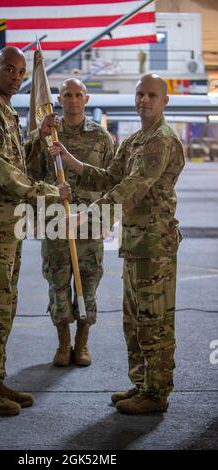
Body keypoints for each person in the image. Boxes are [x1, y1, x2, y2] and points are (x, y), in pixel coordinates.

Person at [50, 74, 185, 414]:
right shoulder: (134, 140)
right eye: (140, 94)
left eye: (152, 95)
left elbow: (132, 188)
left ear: (164, 100)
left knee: (154, 319)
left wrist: (85, 216)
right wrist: (69, 159)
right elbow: (110, 175)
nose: (144, 100)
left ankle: (156, 393)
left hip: (155, 244)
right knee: (134, 318)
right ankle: (141, 384)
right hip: (136, 242)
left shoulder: (161, 140)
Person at [0, 46, 70, 416]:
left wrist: (38, 135)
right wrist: (53, 193)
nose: (17, 76)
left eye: (22, 72)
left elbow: (16, 159)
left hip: (7, 225)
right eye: (10, 69)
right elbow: (4, 173)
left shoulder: (6, 110)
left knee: (4, 306)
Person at [26, 78, 114, 367]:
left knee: (88, 284)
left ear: (86, 100)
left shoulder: (101, 137)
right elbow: (31, 174)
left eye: (78, 94)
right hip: (57, 222)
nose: (73, 99)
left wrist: (107, 219)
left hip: (89, 224)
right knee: (58, 283)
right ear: (59, 99)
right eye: (67, 94)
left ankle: (83, 343)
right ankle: (63, 344)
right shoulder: (49, 135)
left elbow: (110, 181)